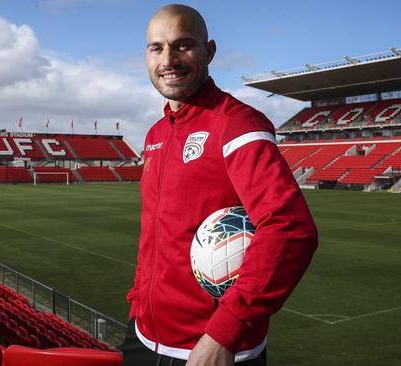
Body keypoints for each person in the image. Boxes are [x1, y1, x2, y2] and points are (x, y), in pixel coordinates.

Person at [121, 4, 319, 366]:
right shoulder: (156, 134)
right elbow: (154, 233)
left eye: (183, 45)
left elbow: (289, 230)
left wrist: (223, 333)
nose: (169, 59)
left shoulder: (238, 125)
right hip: (144, 339)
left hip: (210, 352)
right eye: (157, 48)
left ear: (209, 51)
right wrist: (137, 304)